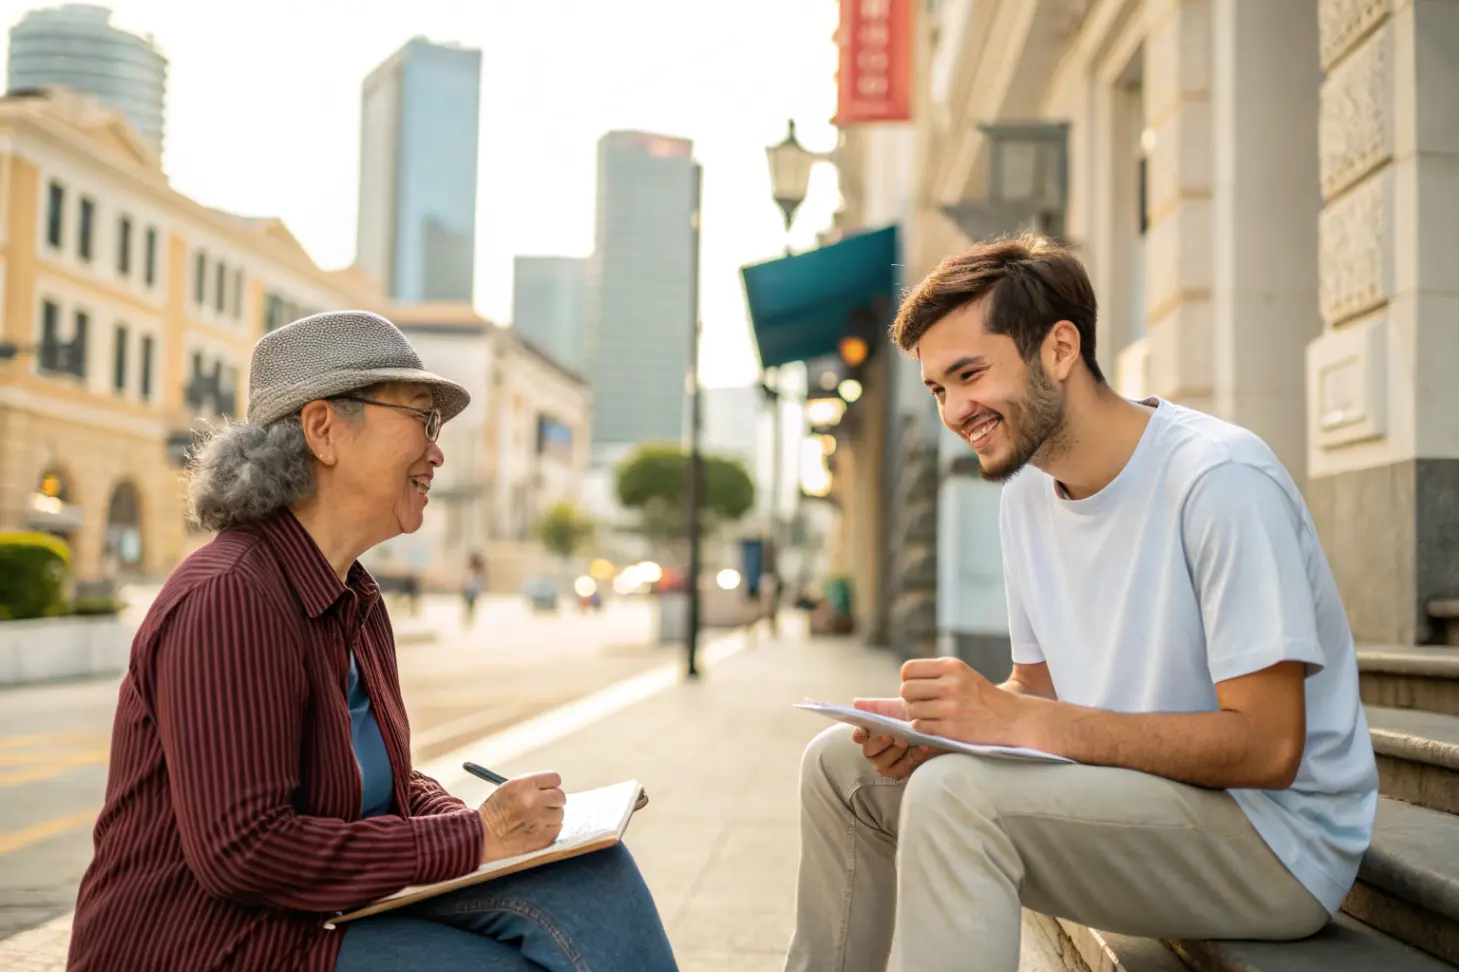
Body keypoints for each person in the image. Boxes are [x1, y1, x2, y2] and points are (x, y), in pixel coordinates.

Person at [785, 237, 1378, 972]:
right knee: (840, 767)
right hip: (1138, 801)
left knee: (955, 798)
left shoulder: (1218, 479)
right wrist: (943, 726)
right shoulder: (1027, 494)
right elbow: (1037, 692)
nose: (955, 410)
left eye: (969, 374)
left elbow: (1267, 746)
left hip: (1274, 845)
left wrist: (1014, 720)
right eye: (938, 389)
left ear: (1059, 349)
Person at [68, 311, 678, 972]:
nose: (438, 451)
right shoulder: (231, 596)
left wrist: (504, 829)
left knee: (591, 872)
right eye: (421, 418)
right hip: (212, 945)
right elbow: (243, 852)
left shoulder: (352, 595)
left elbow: (389, 786)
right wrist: (475, 837)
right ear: (324, 430)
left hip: (311, 917)